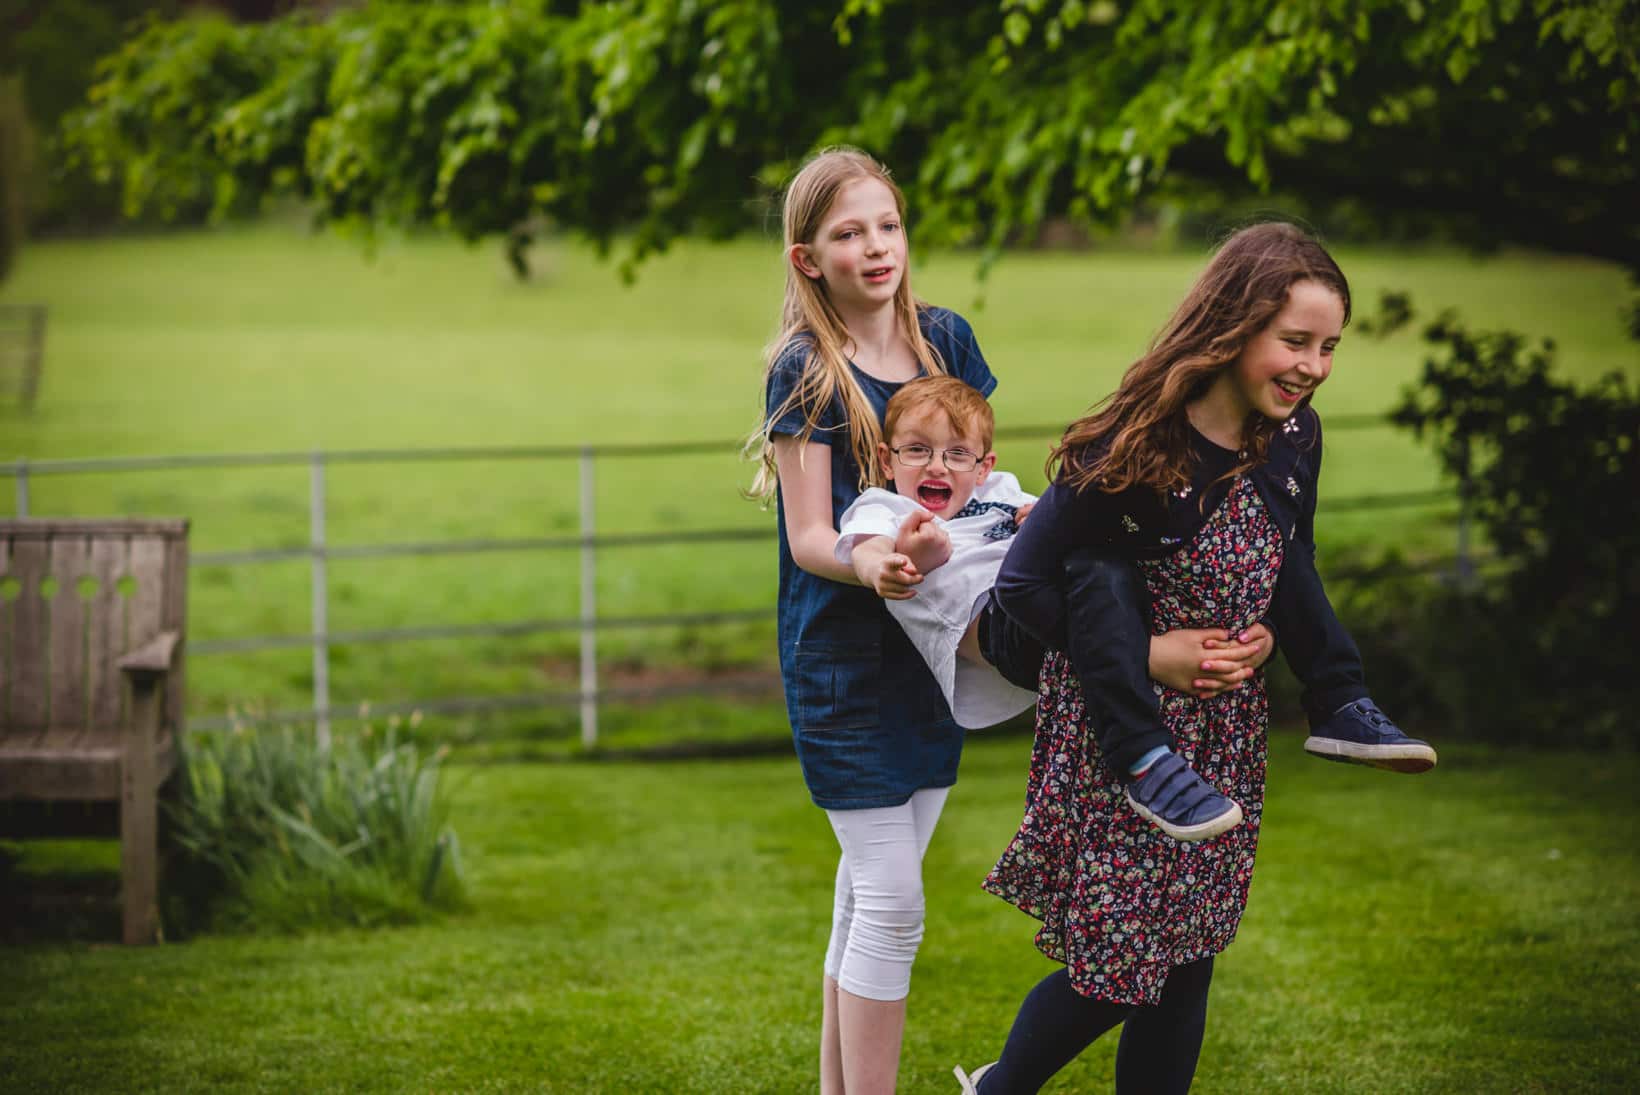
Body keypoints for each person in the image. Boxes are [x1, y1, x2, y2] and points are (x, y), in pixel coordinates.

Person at [953, 221, 1435, 1094]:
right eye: (1295, 341)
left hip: (1222, 728)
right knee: (1121, 959)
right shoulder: (1130, 448)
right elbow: (1022, 589)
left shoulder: (1296, 438)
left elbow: (1287, 555)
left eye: (1329, 346)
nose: (1314, 365)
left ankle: (1343, 702)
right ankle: (996, 1089)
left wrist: (1266, 631)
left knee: (1188, 955)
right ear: (1231, 328)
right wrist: (1151, 655)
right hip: (1120, 728)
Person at [746, 146, 1001, 1095]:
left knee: (865, 893)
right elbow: (811, 534)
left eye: (886, 224)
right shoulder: (806, 372)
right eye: (848, 232)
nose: (875, 246)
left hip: (934, 656)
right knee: (893, 902)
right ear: (809, 258)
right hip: (844, 662)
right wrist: (873, 561)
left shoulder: (948, 344)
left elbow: (979, 486)